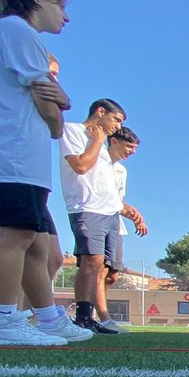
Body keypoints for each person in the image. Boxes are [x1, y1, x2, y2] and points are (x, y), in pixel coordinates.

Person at [0, 0, 91, 346]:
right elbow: (47, 98)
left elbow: (51, 90)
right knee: (14, 233)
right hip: (10, 153)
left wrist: (58, 96)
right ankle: (2, 322)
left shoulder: (15, 35)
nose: (64, 17)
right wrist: (55, 120)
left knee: (35, 242)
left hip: (23, 157)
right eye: (60, 6)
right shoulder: (17, 31)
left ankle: (49, 318)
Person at [59, 98, 128, 333]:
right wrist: (98, 140)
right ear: (100, 112)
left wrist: (126, 210)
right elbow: (80, 166)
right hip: (87, 208)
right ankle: (82, 317)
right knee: (92, 261)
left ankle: (91, 318)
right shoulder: (73, 131)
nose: (118, 127)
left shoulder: (108, 156)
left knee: (104, 268)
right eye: (116, 119)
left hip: (109, 213)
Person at [102, 126, 146, 332]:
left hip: (115, 224)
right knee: (98, 269)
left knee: (112, 275)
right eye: (129, 146)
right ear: (114, 141)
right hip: (96, 219)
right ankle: (96, 315)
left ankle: (97, 312)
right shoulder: (98, 161)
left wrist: (135, 216)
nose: (133, 152)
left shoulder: (121, 170)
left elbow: (117, 201)